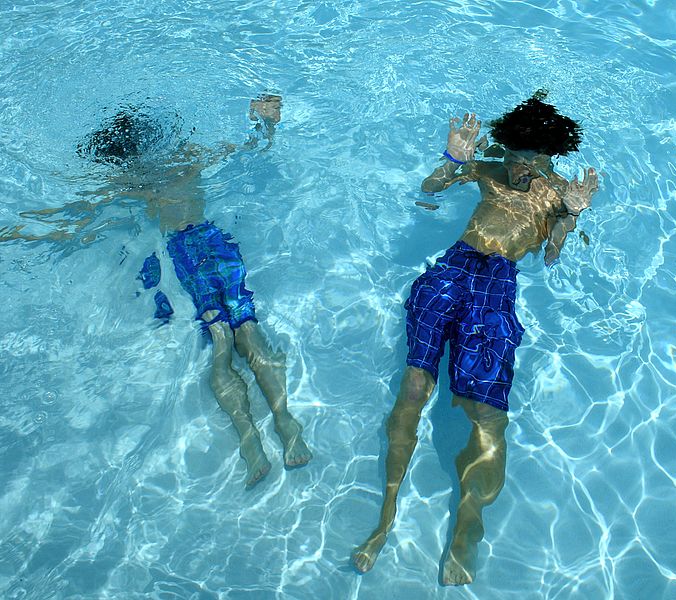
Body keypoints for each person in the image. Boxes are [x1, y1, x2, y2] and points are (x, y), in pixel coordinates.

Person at [1, 94, 312, 488]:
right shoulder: (185, 157)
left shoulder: (131, 181)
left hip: (182, 256)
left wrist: (17, 229)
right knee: (246, 331)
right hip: (214, 244)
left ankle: (251, 439)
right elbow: (248, 148)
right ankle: (284, 423)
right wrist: (264, 122)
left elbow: (74, 219)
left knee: (221, 342)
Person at [351, 91, 598, 585]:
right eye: (514, 156)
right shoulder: (486, 167)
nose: (521, 168)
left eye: (533, 160)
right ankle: (385, 516)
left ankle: (468, 524)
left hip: (496, 286)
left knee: (486, 413)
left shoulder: (559, 193)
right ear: (504, 149)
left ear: (550, 159)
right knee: (414, 389)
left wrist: (570, 217)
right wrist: (452, 161)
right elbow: (428, 193)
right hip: (452, 269)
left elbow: (550, 257)